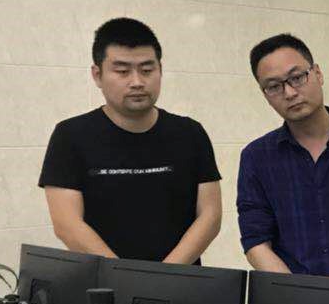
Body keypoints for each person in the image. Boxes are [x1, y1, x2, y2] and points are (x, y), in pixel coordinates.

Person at [39, 18, 221, 263]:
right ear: (97, 75)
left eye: (147, 70)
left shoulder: (190, 133)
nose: (137, 82)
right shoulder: (70, 136)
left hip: (181, 278)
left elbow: (210, 216)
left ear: (160, 70)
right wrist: (124, 277)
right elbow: (67, 224)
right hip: (101, 282)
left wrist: (165, 274)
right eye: (122, 71)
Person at [237, 34, 329, 276]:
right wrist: (296, 291)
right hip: (289, 292)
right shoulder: (256, 157)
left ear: (318, 73)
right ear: (264, 94)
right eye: (274, 86)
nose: (289, 93)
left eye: (297, 77)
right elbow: (256, 240)